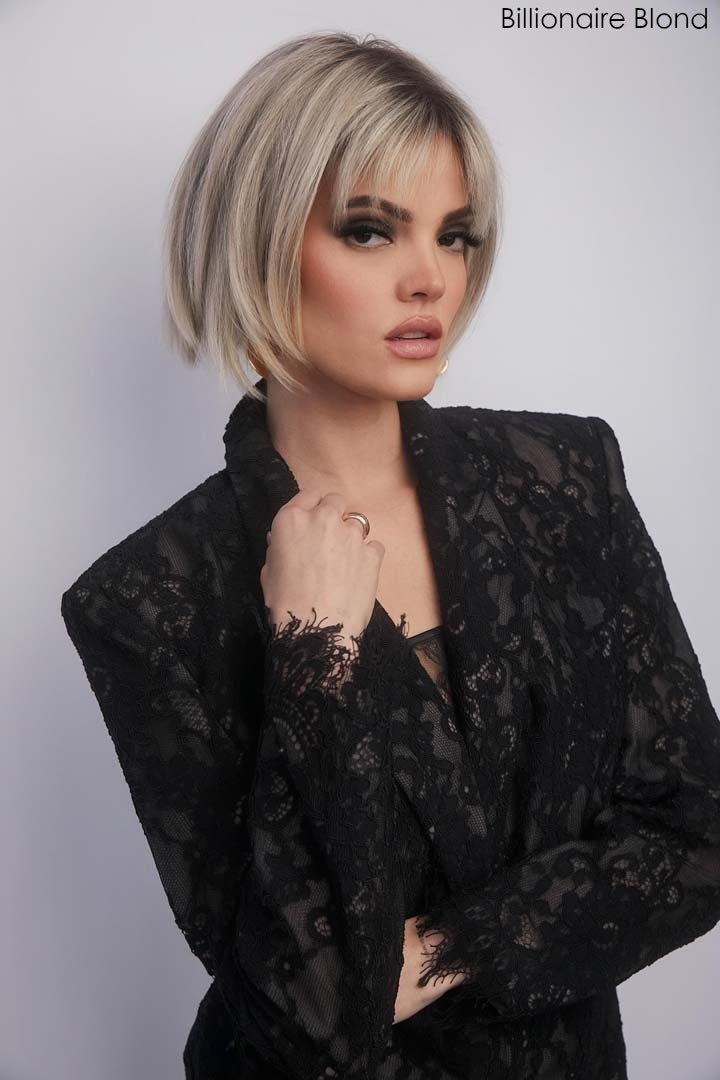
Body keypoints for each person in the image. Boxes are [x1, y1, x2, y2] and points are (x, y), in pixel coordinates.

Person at [60, 30, 720, 1080]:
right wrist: (312, 657)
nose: (431, 279)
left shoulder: (566, 477)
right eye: (370, 231)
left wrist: (450, 948)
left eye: (454, 236)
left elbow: (697, 833)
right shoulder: (146, 599)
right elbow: (303, 1017)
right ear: (258, 240)